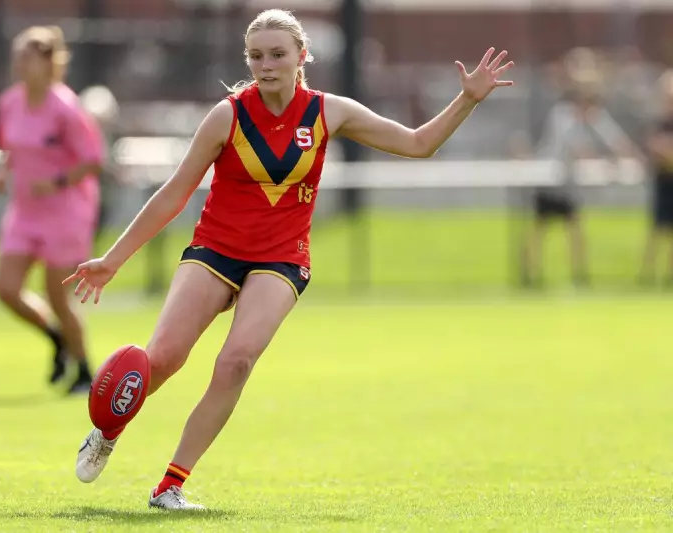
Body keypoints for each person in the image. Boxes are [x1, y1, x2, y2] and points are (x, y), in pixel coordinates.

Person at [65, 9, 513, 510]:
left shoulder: (328, 111)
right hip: (215, 250)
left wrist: (467, 100)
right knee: (163, 359)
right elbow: (174, 194)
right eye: (256, 56)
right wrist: (113, 258)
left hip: (281, 259)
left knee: (235, 363)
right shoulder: (228, 115)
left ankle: (170, 486)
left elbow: (418, 143)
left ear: (302, 56)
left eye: (278, 54)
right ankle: (107, 431)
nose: (266, 64)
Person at [0, 26, 104, 394]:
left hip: (65, 211)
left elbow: (92, 159)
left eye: (27, 56)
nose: (19, 64)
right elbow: (11, 146)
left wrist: (55, 181)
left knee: (58, 295)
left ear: (48, 61)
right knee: (6, 288)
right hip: (25, 209)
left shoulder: (66, 108)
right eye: (17, 56)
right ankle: (56, 338)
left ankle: (85, 371)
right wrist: (3, 171)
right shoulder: (10, 102)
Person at [526, 50, 638, 287]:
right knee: (539, 228)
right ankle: (531, 273)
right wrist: (603, 161)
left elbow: (616, 140)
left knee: (574, 228)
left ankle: (579, 274)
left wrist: (628, 158)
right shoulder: (563, 115)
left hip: (568, 184)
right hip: (550, 179)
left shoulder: (594, 116)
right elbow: (576, 147)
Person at [639, 70, 673, 283]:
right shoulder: (660, 123)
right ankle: (647, 275)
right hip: (664, 180)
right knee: (658, 228)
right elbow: (654, 148)